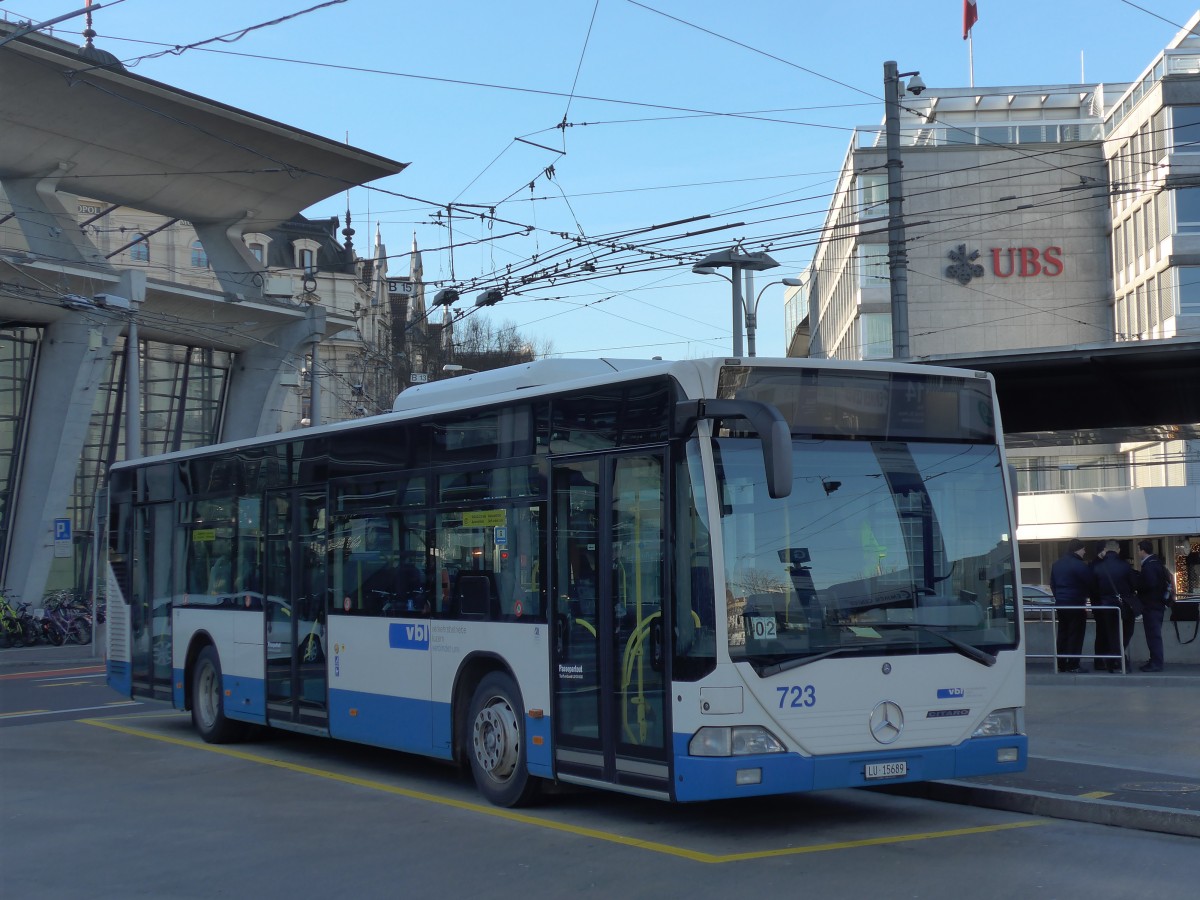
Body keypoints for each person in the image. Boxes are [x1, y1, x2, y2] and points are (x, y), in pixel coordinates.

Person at [1091, 540, 1138, 672]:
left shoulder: (1098, 567)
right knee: (1126, 632)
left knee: (1112, 634)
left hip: (1106, 606)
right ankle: (1119, 660)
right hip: (1124, 604)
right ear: (1118, 550)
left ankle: (1114, 661)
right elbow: (1134, 584)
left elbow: (1093, 588)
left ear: (1105, 549)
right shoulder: (1124, 565)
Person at [1050, 538, 1094, 673]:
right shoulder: (1080, 565)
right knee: (1076, 634)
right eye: (1083, 549)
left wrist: (1060, 597)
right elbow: (1090, 584)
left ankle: (1061, 663)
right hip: (1076, 604)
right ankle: (1073, 664)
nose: (1085, 552)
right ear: (1077, 549)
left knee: (1062, 633)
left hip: (1061, 604)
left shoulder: (1057, 564)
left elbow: (1053, 584)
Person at [1135, 540, 1168, 672]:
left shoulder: (1149, 566)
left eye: (1138, 550)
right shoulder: (1156, 563)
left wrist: (1138, 584)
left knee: (1153, 636)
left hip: (1152, 606)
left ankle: (1156, 663)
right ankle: (1155, 660)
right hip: (1157, 605)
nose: (1137, 553)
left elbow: (1150, 585)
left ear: (1143, 550)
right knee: (1154, 635)